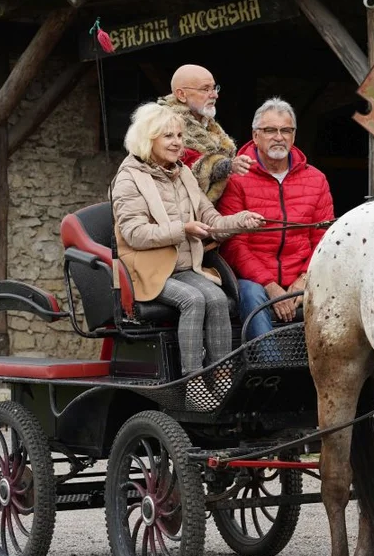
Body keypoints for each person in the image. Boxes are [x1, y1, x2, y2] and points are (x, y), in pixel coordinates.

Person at [112, 102, 263, 376]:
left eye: (180, 136)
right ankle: (192, 379)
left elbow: (212, 221)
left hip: (183, 268)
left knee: (217, 298)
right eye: (168, 136)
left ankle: (221, 376)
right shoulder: (128, 179)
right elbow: (135, 233)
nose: (177, 143)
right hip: (146, 270)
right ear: (148, 139)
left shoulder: (183, 174)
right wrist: (183, 229)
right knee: (193, 299)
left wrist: (241, 221)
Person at [218, 98, 335, 340]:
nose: (279, 137)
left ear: (293, 136)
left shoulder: (316, 179)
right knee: (252, 295)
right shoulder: (237, 179)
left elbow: (323, 237)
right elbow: (234, 244)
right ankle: (269, 369)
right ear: (255, 135)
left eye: (286, 130)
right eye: (270, 130)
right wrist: (270, 286)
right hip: (255, 279)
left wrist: (304, 280)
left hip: (302, 275)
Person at [158, 64, 253, 202]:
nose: (215, 95)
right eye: (205, 89)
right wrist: (228, 166)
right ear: (181, 94)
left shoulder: (207, 123)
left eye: (214, 88)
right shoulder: (162, 123)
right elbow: (185, 164)